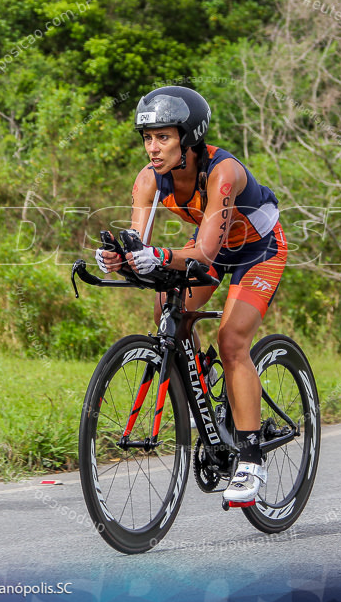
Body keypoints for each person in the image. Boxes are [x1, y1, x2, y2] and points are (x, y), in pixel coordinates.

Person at [95, 86, 287, 506]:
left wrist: (155, 255)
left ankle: (251, 457)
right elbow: (138, 241)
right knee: (168, 309)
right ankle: (210, 388)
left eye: (163, 137)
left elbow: (203, 252)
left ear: (189, 137)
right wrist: (120, 257)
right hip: (212, 246)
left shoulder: (224, 172)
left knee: (233, 340)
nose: (152, 147)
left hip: (258, 249)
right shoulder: (149, 180)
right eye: (147, 138)